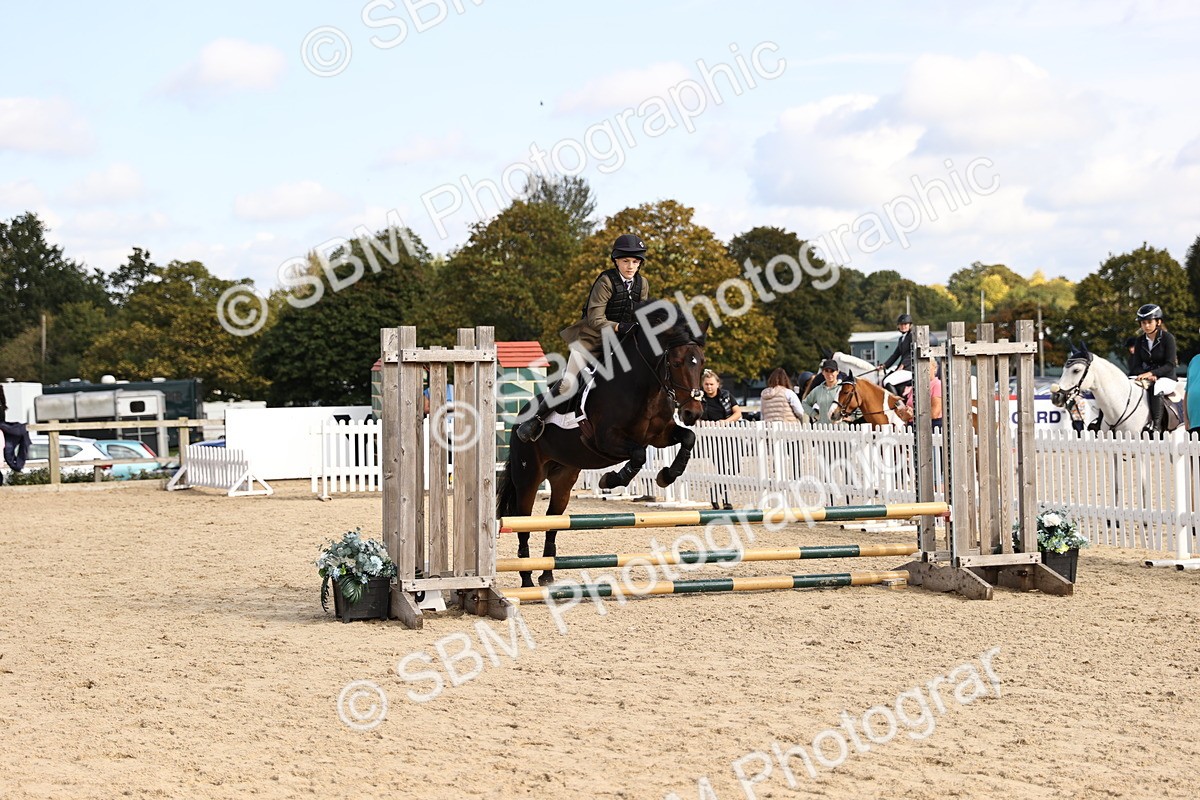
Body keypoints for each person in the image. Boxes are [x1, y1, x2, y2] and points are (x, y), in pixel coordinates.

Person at [516, 233, 650, 442]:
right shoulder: (606, 281)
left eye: (635, 261)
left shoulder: (642, 284)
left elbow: (641, 313)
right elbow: (595, 318)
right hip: (591, 341)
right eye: (626, 261)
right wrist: (620, 326)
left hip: (620, 343)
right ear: (616, 261)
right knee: (569, 384)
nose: (631, 266)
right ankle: (535, 420)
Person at [1129, 303, 1178, 435]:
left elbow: (1170, 364)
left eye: (1149, 322)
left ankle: (1156, 426)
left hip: (1167, 378)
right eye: (1143, 322)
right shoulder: (1140, 341)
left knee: (1157, 387)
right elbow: (1136, 365)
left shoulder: (1168, 338)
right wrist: (1145, 374)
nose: (1146, 325)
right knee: (1128, 383)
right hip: (1147, 376)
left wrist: (1152, 373)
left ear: (1158, 322)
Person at [699, 369, 740, 509]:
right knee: (722, 468)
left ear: (718, 384)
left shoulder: (726, 395)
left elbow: (737, 413)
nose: (709, 387)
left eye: (711, 384)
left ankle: (715, 491)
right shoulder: (700, 399)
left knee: (734, 468)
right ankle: (726, 500)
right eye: (706, 384)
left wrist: (726, 421)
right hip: (713, 439)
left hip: (729, 435)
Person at [878, 313, 914, 402]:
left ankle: (899, 405)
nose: (903, 326)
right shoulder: (901, 339)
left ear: (910, 325)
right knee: (884, 379)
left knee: (888, 381)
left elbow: (911, 352)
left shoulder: (912, 336)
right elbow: (895, 355)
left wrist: (902, 364)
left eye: (905, 324)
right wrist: (884, 365)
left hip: (910, 368)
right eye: (901, 324)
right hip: (904, 368)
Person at [802, 359, 844, 424]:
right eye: (826, 371)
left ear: (837, 372)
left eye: (832, 371)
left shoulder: (843, 388)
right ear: (823, 372)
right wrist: (815, 415)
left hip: (841, 430)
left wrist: (851, 417)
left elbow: (858, 405)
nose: (829, 374)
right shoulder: (817, 390)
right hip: (822, 429)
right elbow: (805, 403)